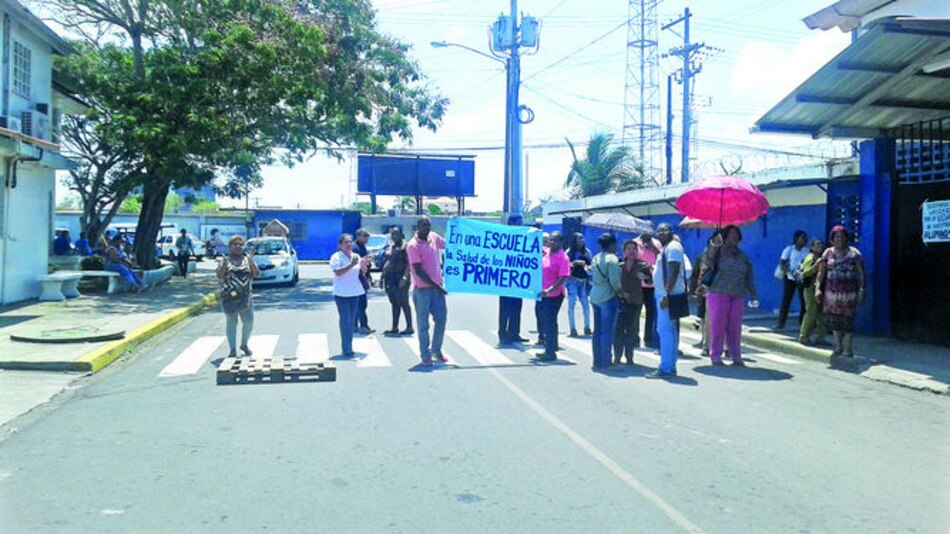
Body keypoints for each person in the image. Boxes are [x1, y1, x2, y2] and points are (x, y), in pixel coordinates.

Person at [705, 225, 758, 367]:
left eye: (736, 234)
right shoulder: (718, 252)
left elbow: (749, 277)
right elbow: (708, 261)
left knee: (735, 327)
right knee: (718, 325)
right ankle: (715, 355)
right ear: (725, 236)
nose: (734, 237)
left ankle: (736, 355)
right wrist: (715, 245)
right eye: (731, 234)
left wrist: (753, 294)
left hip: (738, 294)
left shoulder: (743, 256)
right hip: (718, 292)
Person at [816, 226, 865, 361]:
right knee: (835, 321)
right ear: (832, 239)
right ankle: (838, 347)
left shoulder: (854, 253)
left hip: (848, 295)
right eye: (837, 237)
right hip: (831, 295)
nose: (840, 240)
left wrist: (861, 289)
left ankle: (848, 349)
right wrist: (818, 289)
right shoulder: (827, 253)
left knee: (847, 321)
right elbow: (821, 273)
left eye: (842, 237)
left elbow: (861, 273)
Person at [406, 217, 448, 365]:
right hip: (423, 290)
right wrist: (437, 285)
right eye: (424, 225)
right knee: (423, 324)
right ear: (417, 227)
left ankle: (436, 349)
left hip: (437, 289)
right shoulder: (412, 246)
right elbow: (418, 271)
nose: (427, 228)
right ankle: (425, 354)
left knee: (441, 320)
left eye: (428, 225)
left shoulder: (434, 237)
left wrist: (458, 226)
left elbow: (450, 245)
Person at [647, 223, 686, 378]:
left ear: (671, 232)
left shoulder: (673, 247)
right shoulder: (667, 248)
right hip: (663, 293)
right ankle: (670, 365)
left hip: (667, 295)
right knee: (669, 331)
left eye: (665, 230)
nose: (661, 233)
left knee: (665, 331)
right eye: (659, 231)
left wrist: (666, 294)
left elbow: (674, 270)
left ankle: (665, 368)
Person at [217, 235, 260, 358]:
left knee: (249, 322)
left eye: (240, 244)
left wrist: (251, 261)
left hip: (246, 297)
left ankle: (244, 344)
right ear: (229, 247)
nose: (238, 246)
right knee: (231, 322)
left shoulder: (247, 259)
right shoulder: (225, 259)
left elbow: (256, 274)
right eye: (235, 244)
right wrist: (224, 265)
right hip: (229, 297)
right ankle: (232, 350)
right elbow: (219, 276)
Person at [330, 233, 368, 357]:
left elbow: (361, 271)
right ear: (340, 245)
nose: (349, 244)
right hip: (341, 293)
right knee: (345, 319)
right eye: (345, 242)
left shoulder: (355, 256)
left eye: (350, 242)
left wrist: (363, 266)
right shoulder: (336, 257)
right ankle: (346, 348)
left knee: (351, 321)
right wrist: (351, 264)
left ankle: (349, 345)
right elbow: (338, 272)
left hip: (355, 292)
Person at [535, 231, 570, 362]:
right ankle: (551, 346)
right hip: (541, 294)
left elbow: (563, 277)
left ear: (561, 242)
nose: (551, 242)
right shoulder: (545, 253)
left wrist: (549, 290)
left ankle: (550, 352)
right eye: (550, 240)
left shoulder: (563, 258)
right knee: (543, 320)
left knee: (549, 321)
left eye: (555, 240)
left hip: (554, 294)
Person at [614, 239, 650, 365]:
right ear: (624, 251)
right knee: (618, 330)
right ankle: (617, 356)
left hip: (635, 301)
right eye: (628, 249)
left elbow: (650, 281)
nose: (632, 251)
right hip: (619, 300)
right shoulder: (617, 264)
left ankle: (629, 357)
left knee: (631, 330)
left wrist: (644, 277)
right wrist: (620, 293)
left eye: (634, 249)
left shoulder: (642, 265)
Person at [498, 215, 529, 345]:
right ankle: (503, 334)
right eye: (519, 223)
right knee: (505, 308)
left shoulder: (523, 237)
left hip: (517, 279)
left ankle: (514, 333)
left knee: (517, 307)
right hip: (505, 280)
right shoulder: (503, 236)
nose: (521, 225)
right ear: (511, 223)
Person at [691, 231, 721, 356]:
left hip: (722, 289)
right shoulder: (704, 256)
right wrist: (693, 288)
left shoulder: (726, 255)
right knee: (705, 317)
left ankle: (722, 345)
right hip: (705, 289)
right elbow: (696, 272)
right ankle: (706, 343)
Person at [382, 227, 413, 336]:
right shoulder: (392, 246)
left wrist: (405, 278)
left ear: (401, 235)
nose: (394, 236)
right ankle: (394, 327)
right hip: (391, 278)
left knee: (404, 302)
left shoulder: (406, 247)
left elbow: (409, 264)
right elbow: (388, 262)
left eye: (396, 234)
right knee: (394, 303)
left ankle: (409, 326)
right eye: (392, 234)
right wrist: (383, 276)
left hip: (401, 278)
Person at [798, 237, 829, 346]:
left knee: (821, 314)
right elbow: (806, 272)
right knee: (811, 313)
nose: (820, 246)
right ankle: (804, 336)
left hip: (820, 289)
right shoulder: (810, 258)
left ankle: (821, 336)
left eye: (821, 244)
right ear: (812, 247)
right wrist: (817, 265)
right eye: (817, 244)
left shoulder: (822, 258)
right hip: (810, 289)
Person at [635, 229, 662, 349]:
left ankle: (648, 339)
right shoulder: (634, 243)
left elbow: (661, 257)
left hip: (652, 284)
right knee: (636, 312)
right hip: (638, 283)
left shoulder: (656, 243)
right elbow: (630, 260)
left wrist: (652, 247)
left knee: (651, 313)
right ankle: (635, 338)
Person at [776, 230, 809, 330]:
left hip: (802, 278)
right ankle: (781, 323)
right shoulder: (789, 249)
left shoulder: (807, 250)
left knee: (804, 301)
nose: (804, 240)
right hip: (790, 278)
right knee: (786, 300)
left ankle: (802, 324)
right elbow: (782, 263)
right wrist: (789, 272)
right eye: (802, 237)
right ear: (796, 238)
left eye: (805, 238)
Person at [565, 232, 592, 337]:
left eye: (583, 239)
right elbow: (565, 266)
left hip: (583, 281)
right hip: (572, 280)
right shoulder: (569, 252)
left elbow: (591, 266)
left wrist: (586, 265)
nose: (582, 241)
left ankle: (587, 327)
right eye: (579, 239)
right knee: (571, 304)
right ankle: (572, 328)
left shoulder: (587, 252)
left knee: (586, 304)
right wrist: (574, 263)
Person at [352, 228, 375, 334]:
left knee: (360, 303)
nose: (367, 238)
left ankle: (354, 325)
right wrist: (365, 259)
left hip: (363, 277)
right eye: (365, 236)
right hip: (357, 278)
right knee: (361, 303)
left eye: (368, 236)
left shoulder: (362, 247)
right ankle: (363, 326)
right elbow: (356, 263)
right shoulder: (355, 248)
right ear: (358, 236)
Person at [534, 232, 551, 346]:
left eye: (547, 241)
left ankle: (549, 337)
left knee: (549, 316)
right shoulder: (535, 254)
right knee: (539, 313)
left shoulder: (553, 254)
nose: (545, 243)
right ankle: (541, 336)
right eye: (543, 241)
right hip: (539, 289)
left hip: (551, 291)